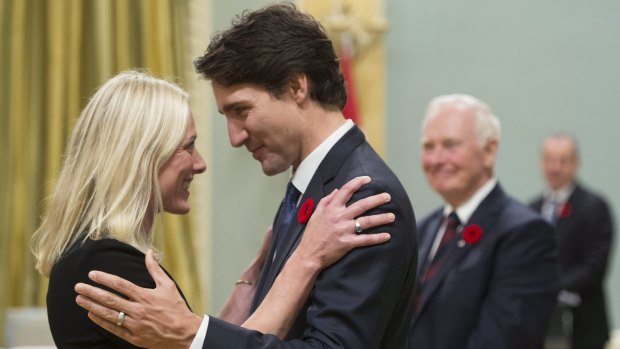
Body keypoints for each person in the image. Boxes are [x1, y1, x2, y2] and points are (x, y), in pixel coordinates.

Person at [74, 3, 418, 349]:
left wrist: (193, 336)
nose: (234, 137)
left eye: (241, 110)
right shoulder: (311, 185)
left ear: (297, 87)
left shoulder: (362, 196)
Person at [31, 70, 396, 348]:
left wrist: (250, 282)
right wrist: (307, 257)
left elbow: (191, 340)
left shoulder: (94, 253)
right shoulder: (105, 266)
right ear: (141, 156)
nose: (200, 163)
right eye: (188, 147)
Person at [408, 94, 560, 348]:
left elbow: (504, 340)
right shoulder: (423, 229)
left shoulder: (526, 234)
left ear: (489, 151)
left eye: (450, 145)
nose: (436, 159)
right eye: (428, 146)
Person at [529, 133, 613, 349]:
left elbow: (594, 267)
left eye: (562, 161)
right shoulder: (531, 209)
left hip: (582, 328)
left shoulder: (594, 207)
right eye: (549, 160)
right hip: (538, 325)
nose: (554, 167)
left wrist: (550, 287)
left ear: (576, 164)